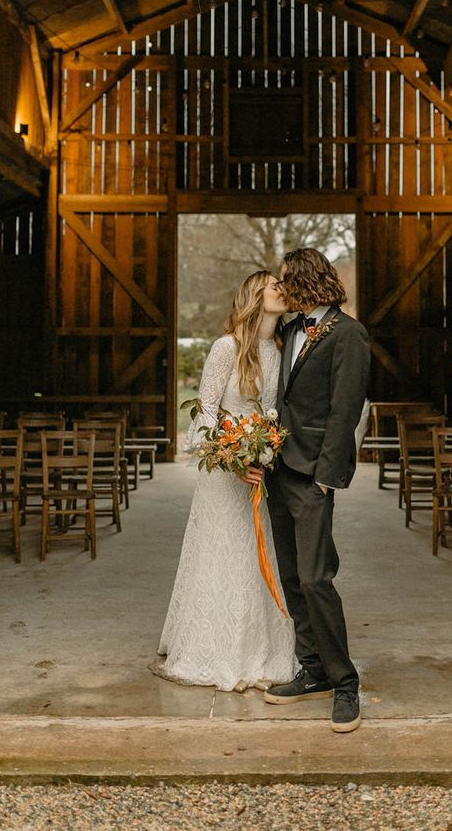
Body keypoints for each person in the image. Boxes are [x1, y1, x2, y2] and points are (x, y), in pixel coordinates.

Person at [151, 272, 297, 692]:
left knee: (256, 558)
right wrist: (230, 456)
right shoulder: (226, 347)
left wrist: (263, 455)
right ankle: (212, 649)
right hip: (224, 473)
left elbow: (273, 415)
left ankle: (257, 650)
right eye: (273, 286)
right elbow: (206, 412)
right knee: (221, 557)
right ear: (254, 295)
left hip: (258, 473)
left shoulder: (281, 350)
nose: (281, 290)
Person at [263, 248, 370, 732]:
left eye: (286, 280)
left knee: (315, 577)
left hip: (314, 475)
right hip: (277, 469)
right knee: (290, 577)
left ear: (304, 281)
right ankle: (313, 671)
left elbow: (345, 409)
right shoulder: (289, 331)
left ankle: (346, 685)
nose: (281, 288)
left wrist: (328, 476)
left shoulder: (348, 334)